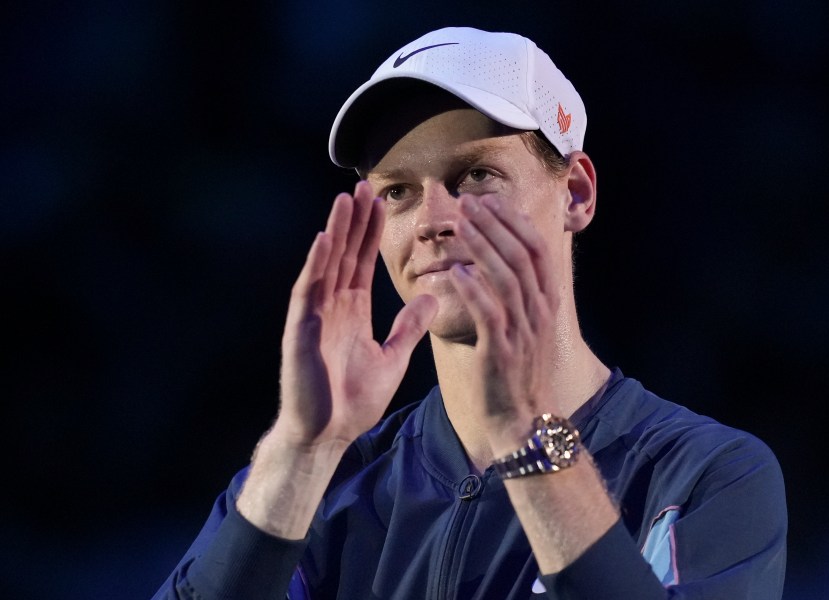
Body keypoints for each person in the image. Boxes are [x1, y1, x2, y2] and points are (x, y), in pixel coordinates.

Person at [151, 27, 787, 599]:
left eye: (477, 175)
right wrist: (301, 450)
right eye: (398, 191)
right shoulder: (312, 484)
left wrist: (527, 434)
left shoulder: (705, 475)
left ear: (577, 192)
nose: (433, 221)